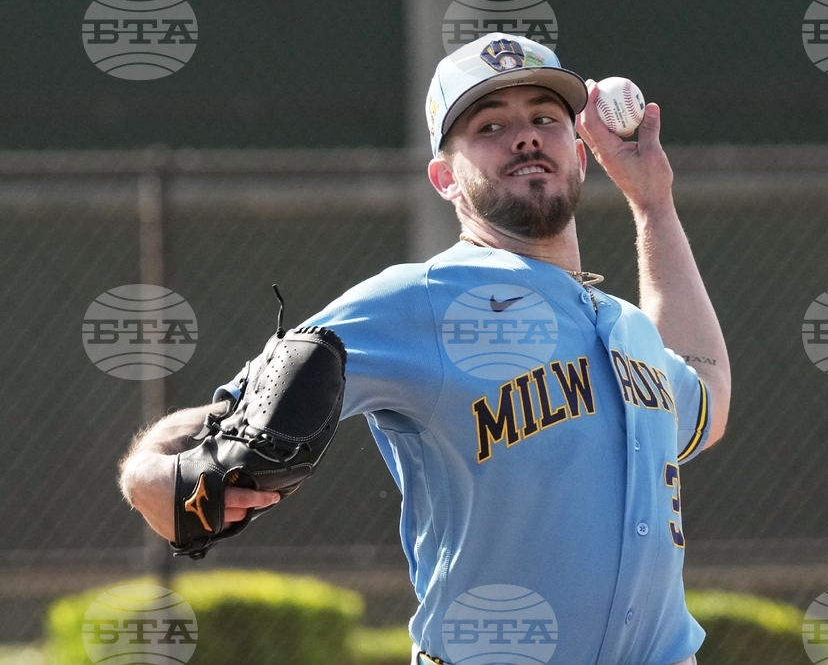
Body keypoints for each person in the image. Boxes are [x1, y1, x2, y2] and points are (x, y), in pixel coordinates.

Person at [118, 33, 730, 665]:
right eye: (490, 126)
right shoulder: (422, 299)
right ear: (445, 179)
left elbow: (705, 402)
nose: (526, 137)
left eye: (545, 118)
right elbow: (235, 418)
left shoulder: (626, 326)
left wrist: (652, 202)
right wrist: (147, 472)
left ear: (579, 154)